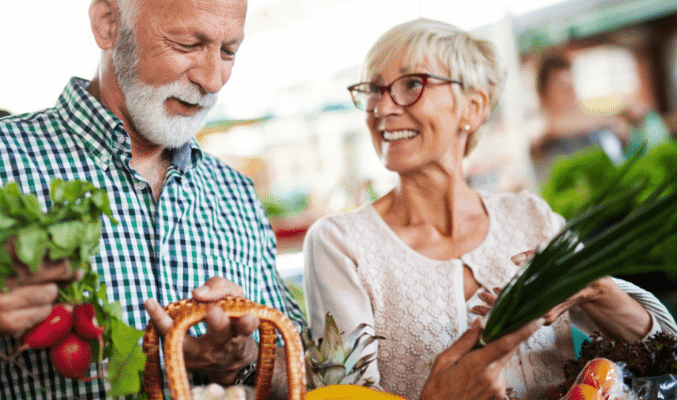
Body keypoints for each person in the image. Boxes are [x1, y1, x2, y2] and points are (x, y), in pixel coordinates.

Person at [303, 18, 677, 400]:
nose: (382, 108)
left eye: (412, 84)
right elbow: (340, 394)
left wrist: (597, 291)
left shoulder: (531, 218)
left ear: (473, 106)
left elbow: (667, 354)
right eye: (373, 90)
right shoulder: (340, 244)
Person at [0, 0, 305, 398]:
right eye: (186, 45)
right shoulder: (6, 158)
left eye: (229, 51)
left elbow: (305, 370)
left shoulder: (237, 194)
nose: (212, 80)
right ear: (108, 24)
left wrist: (244, 359)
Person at [529, 54, 648, 182]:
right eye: (563, 87)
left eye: (573, 86)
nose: (572, 93)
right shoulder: (539, 133)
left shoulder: (590, 127)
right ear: (543, 94)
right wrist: (612, 119)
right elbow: (553, 130)